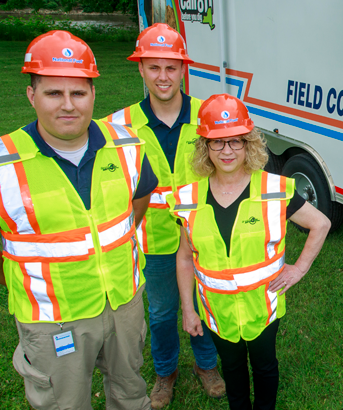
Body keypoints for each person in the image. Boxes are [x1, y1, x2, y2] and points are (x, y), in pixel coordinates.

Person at [0, 30, 158, 410]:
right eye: (53, 93)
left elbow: (137, 203)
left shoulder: (128, 146)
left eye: (78, 93)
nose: (68, 106)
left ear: (93, 93)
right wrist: (24, 274)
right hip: (53, 319)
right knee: (65, 404)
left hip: (124, 303)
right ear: (31, 95)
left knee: (130, 392)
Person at [168, 93, 331, 410]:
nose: (227, 151)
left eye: (236, 142)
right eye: (217, 142)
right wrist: (188, 309)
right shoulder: (186, 198)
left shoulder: (274, 189)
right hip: (217, 311)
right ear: (205, 146)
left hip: (262, 308)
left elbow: (321, 224)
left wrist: (299, 268)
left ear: (249, 144)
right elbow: (185, 257)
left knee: (265, 368)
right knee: (232, 370)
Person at [103, 23, 225, 409]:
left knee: (204, 305)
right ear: (140, 69)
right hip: (151, 240)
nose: (163, 76)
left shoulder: (207, 116)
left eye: (171, 68)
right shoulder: (117, 127)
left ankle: (206, 365)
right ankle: (165, 373)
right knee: (160, 313)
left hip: (201, 238)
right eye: (154, 67)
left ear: (183, 69)